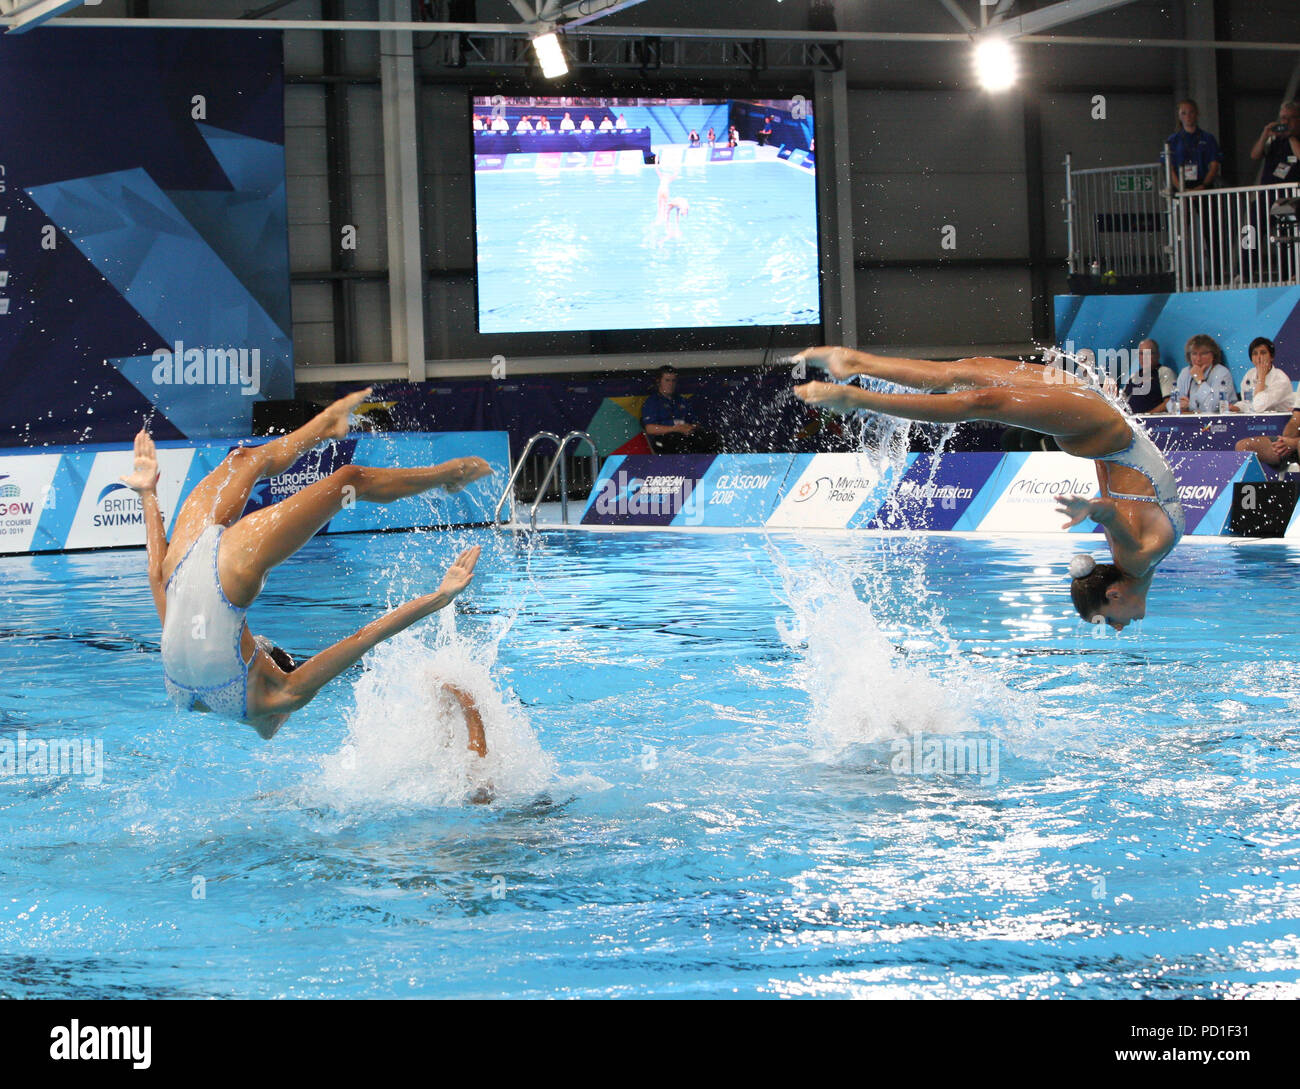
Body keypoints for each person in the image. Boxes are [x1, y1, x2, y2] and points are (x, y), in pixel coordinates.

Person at [119, 391, 493, 739]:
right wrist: (146, 494)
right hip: (204, 571)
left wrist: (147, 493)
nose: (259, 641)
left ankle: (424, 466)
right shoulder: (253, 696)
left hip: (200, 569)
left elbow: (366, 637)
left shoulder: (258, 696)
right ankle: (360, 442)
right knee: (296, 470)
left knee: (300, 471)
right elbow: (364, 639)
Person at [792, 347, 1185, 630]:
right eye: (1109, 622)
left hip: (1103, 428)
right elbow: (1113, 510)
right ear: (1112, 596)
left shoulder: (1133, 561)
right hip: (1105, 430)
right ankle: (854, 371)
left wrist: (1095, 506)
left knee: (972, 384)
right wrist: (1094, 508)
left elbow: (1113, 507)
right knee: (975, 387)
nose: (1119, 627)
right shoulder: (1136, 562)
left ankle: (855, 384)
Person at [641, 365, 721, 454]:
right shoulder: (652, 402)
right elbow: (650, 429)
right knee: (679, 442)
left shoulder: (682, 400)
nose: (670, 384)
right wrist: (675, 429)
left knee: (711, 439)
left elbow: (696, 423)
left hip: (685, 434)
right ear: (658, 382)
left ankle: (710, 466)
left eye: (673, 381)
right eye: (667, 380)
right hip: (664, 438)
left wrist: (690, 428)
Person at [1166, 98, 1222, 194]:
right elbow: (1169, 168)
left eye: (1191, 112)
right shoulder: (1173, 140)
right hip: (1181, 184)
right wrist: (1180, 188)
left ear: (1196, 114)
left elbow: (1214, 165)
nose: (1188, 116)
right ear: (1179, 116)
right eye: (1183, 113)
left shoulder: (1208, 138)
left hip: (1203, 184)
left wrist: (1204, 185)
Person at [1171, 333, 1236, 413]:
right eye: (1194, 354)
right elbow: (1171, 405)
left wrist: (1200, 381)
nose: (1198, 359)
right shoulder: (1185, 372)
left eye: (1203, 354)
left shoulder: (1222, 373)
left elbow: (1213, 407)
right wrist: (1179, 404)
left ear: (1213, 355)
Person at [1228, 336, 1295, 413]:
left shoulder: (1281, 379)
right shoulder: (1249, 375)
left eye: (1263, 353)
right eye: (1255, 354)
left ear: (1271, 357)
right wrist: (1237, 407)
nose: (1259, 357)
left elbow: (1258, 406)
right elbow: (1249, 403)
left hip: (1282, 422)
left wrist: (1261, 377)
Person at [1249, 100, 1300, 184]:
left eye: (1291, 118)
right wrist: (1264, 135)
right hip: (1269, 191)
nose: (1286, 122)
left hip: (1292, 192)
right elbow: (1255, 155)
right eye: (1283, 118)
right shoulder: (1274, 138)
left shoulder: (1295, 140)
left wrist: (1291, 137)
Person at [1122, 338, 1177, 414]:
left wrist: (1147, 415)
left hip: (1150, 422)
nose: (1144, 357)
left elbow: (1170, 402)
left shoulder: (1164, 372)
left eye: (1148, 353)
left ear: (1157, 355)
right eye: (1141, 353)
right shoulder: (1134, 376)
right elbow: (1121, 401)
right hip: (1128, 420)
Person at [1236, 405, 1300, 469]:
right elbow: (1295, 422)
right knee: (1243, 446)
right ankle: (1253, 478)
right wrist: (1284, 442)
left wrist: (1294, 443)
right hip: (1293, 443)